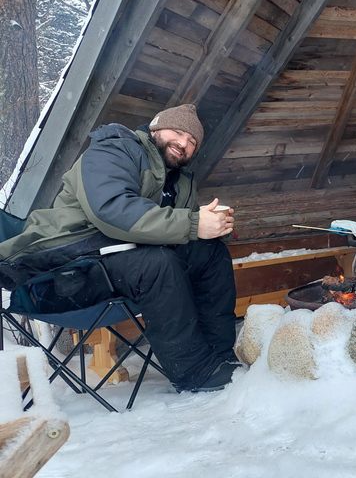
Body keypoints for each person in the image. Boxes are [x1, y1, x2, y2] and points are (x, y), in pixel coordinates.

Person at [0, 104, 241, 393]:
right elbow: (111, 210)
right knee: (158, 263)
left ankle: (219, 356)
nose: (183, 143)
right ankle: (193, 373)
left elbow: (182, 232)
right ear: (155, 129)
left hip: (120, 264)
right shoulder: (114, 151)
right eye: (177, 132)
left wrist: (213, 228)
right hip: (67, 268)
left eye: (192, 142)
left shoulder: (181, 182)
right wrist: (192, 224)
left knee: (209, 253)